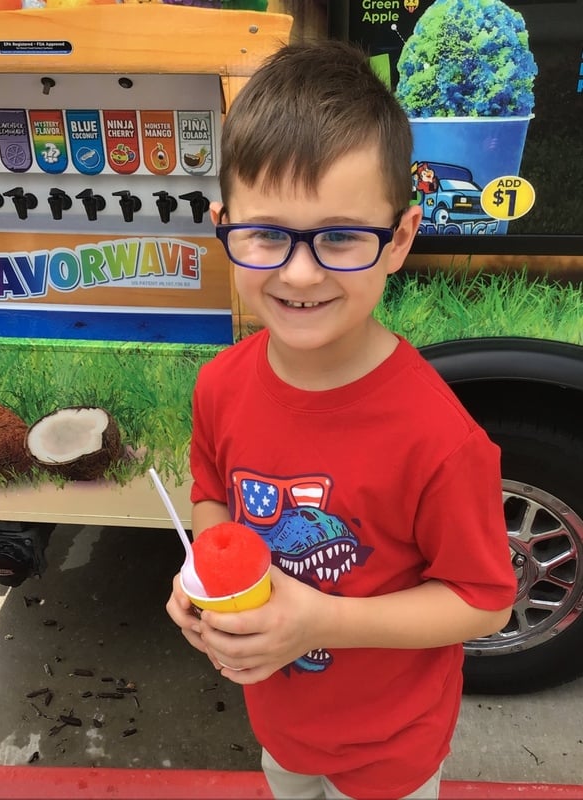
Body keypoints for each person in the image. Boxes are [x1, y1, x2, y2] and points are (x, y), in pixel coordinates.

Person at [166, 40, 517, 800]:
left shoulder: (439, 438)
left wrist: (318, 623)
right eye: (267, 234)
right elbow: (212, 495)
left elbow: (484, 602)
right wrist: (205, 579)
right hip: (280, 723)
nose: (299, 272)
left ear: (399, 240)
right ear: (224, 226)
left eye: (340, 236)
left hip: (392, 746)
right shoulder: (220, 385)